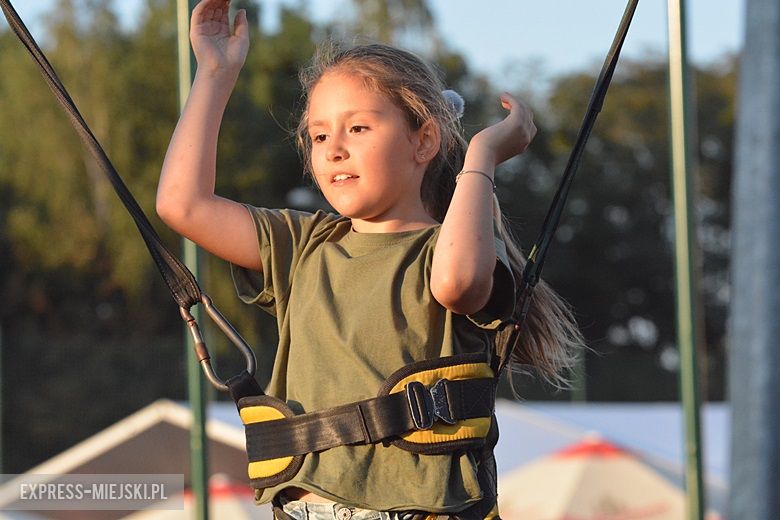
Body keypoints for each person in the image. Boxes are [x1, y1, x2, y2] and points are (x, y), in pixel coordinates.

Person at [157, 0, 582, 518]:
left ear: (423, 140)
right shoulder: (302, 245)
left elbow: (459, 282)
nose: (334, 148)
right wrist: (216, 73)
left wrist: (482, 156)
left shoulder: (452, 247)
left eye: (357, 129)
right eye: (318, 136)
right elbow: (183, 205)